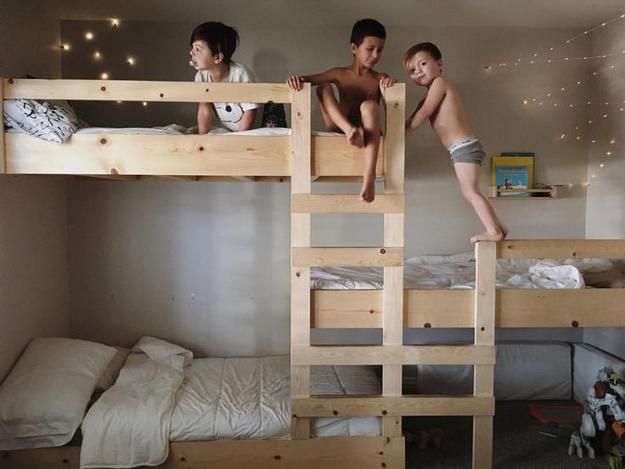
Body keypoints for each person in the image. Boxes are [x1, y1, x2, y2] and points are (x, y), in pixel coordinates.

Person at [404, 42, 507, 243]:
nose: (418, 72)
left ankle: (493, 231)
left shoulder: (440, 83)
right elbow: (413, 118)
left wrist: (404, 131)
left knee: (470, 191)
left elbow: (423, 114)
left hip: (464, 146)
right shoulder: (427, 96)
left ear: (439, 64)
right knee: (467, 191)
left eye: (423, 64)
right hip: (459, 149)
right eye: (412, 70)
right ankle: (499, 227)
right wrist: (396, 133)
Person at [287, 18, 395, 202]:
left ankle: (368, 179)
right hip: (342, 127)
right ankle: (350, 130)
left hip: (367, 132)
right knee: (324, 87)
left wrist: (390, 84)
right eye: (370, 49)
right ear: (354, 48)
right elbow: (310, 79)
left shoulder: (379, 78)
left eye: (380, 50)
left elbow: (393, 98)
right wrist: (296, 80)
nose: (376, 55)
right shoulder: (340, 73)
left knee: (369, 105)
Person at [189, 22, 258, 133]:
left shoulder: (241, 74)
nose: (191, 52)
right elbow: (204, 109)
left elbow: (250, 111)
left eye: (197, 49)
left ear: (217, 57)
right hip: (224, 129)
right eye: (192, 48)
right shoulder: (201, 76)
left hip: (246, 129)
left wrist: (241, 139)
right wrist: (202, 139)